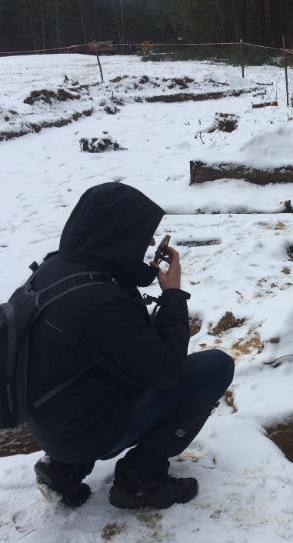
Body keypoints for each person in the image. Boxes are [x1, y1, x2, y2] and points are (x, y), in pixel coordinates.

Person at [26, 182, 234, 509]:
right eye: (143, 235)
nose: (150, 243)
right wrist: (173, 296)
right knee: (216, 367)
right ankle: (141, 480)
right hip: (86, 431)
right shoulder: (101, 301)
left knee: (92, 367)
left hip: (50, 425)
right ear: (117, 234)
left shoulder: (57, 269)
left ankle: (62, 471)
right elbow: (166, 371)